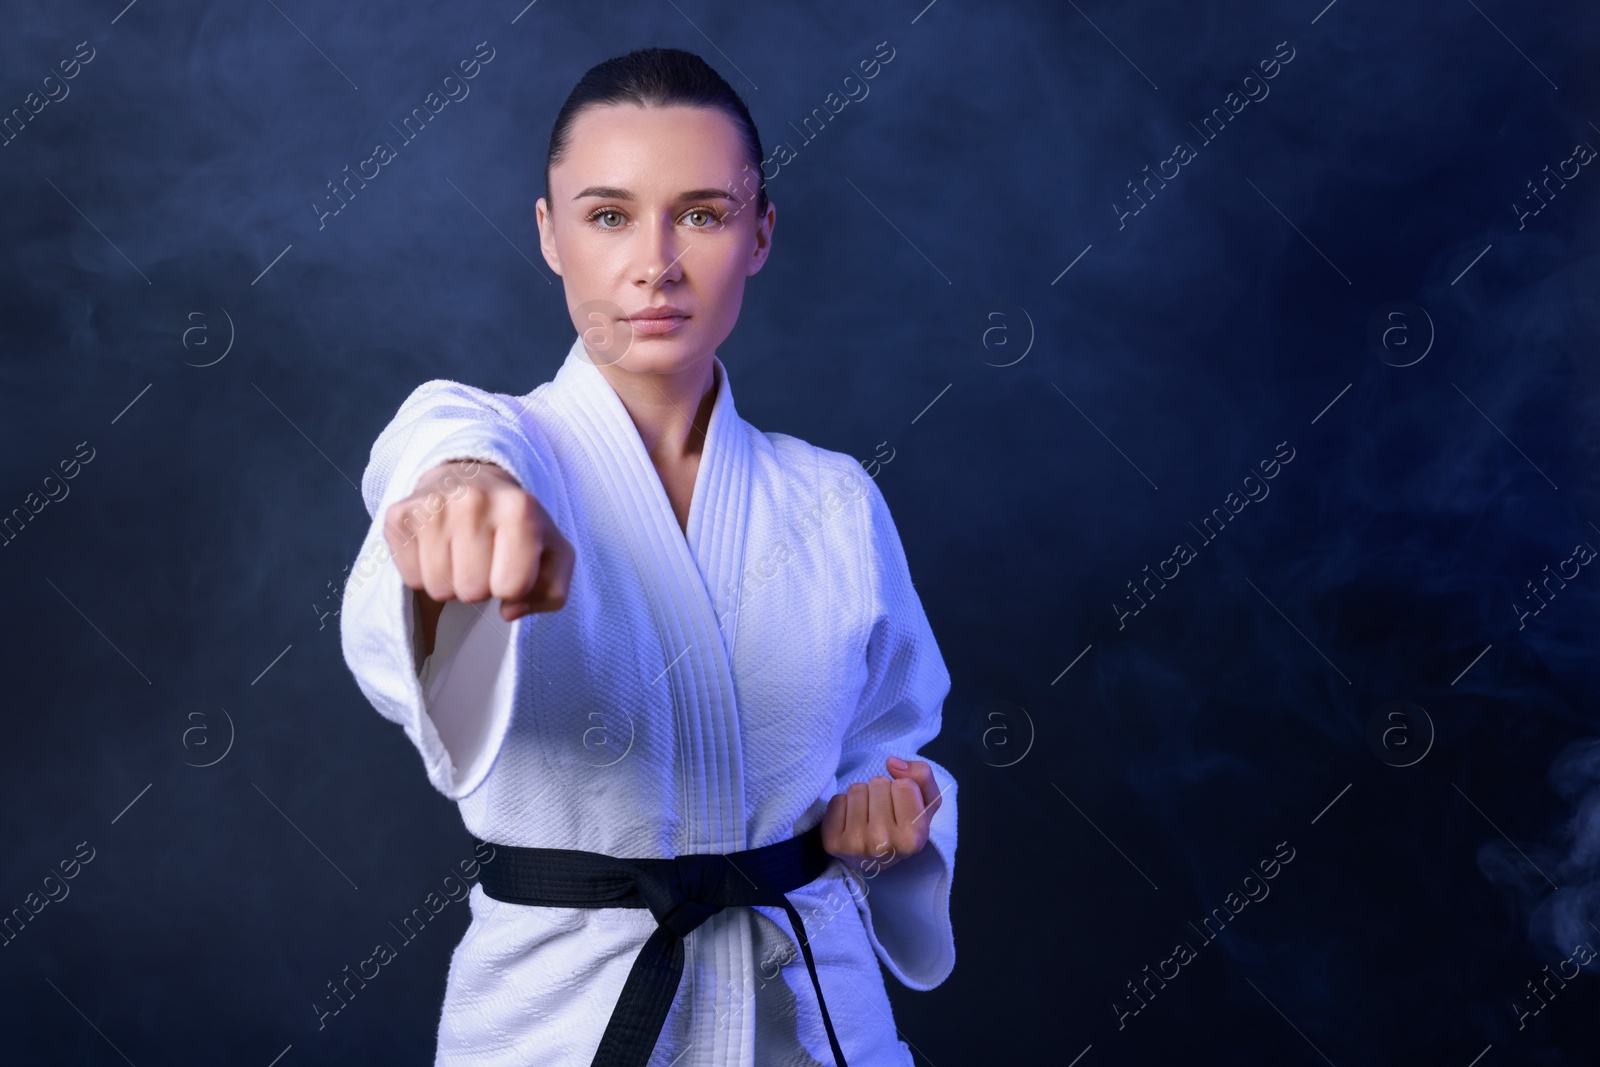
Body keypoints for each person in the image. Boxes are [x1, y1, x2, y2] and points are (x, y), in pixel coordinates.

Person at [339, 46, 957, 1067]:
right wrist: (452, 493)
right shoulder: (495, 452)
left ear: (759, 234)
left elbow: (893, 747)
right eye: (609, 214)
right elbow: (434, 448)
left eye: (704, 214)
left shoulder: (834, 497)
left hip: (813, 1019)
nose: (655, 263)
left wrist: (896, 810)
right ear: (549, 233)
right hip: (559, 1025)